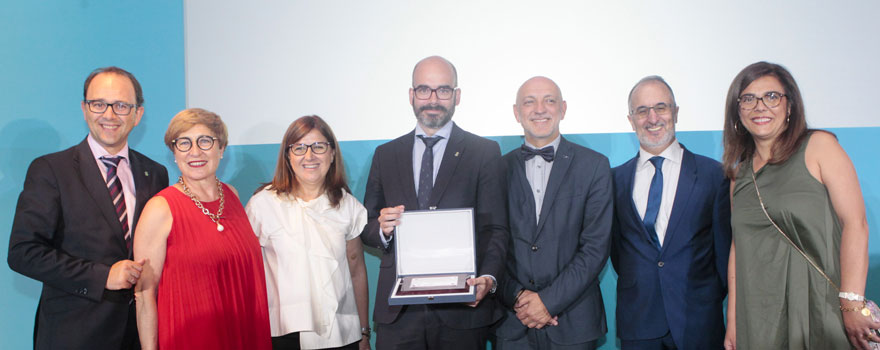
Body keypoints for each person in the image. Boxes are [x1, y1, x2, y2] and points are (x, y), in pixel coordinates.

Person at [721, 62, 880, 350]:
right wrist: (733, 321)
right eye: (748, 99)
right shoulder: (738, 176)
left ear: (790, 106)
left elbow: (856, 224)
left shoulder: (819, 146)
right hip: (759, 317)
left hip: (822, 305)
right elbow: (738, 248)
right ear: (737, 110)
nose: (760, 106)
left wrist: (853, 302)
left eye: (771, 96)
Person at [7, 66, 169, 349]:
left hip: (138, 334)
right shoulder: (51, 170)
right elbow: (24, 253)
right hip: (74, 334)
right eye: (98, 104)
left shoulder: (154, 173)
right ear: (84, 109)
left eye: (120, 105)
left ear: (137, 114)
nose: (109, 114)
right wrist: (102, 276)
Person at [360, 55, 508, 349]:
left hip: (462, 311)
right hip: (399, 314)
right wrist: (383, 229)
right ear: (411, 95)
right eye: (424, 90)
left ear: (457, 96)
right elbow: (366, 225)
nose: (433, 99)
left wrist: (488, 278)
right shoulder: (385, 155)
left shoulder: (484, 152)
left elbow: (496, 227)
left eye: (443, 90)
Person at [133, 108, 271, 350]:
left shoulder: (233, 195)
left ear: (221, 149)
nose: (195, 152)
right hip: (192, 339)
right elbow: (145, 295)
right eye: (183, 143)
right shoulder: (160, 208)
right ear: (174, 153)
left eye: (205, 141)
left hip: (242, 332)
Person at [610, 76, 731, 350]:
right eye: (642, 111)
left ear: (675, 112)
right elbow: (618, 252)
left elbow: (723, 253)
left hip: (699, 322)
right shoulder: (614, 180)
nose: (652, 118)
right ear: (631, 119)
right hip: (639, 323)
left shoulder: (714, 175)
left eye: (661, 107)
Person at [494, 76, 612, 349]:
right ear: (516, 112)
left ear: (563, 108)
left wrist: (547, 302)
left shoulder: (594, 166)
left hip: (574, 323)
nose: (540, 109)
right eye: (529, 102)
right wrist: (519, 297)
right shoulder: (497, 170)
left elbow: (595, 248)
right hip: (513, 323)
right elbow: (490, 244)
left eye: (549, 100)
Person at [245, 115, 371, 350]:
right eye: (300, 147)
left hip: (341, 333)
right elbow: (248, 276)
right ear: (288, 156)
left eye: (319, 146)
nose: (309, 156)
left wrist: (364, 332)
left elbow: (356, 272)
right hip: (282, 334)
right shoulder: (262, 205)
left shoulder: (348, 206)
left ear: (332, 154)